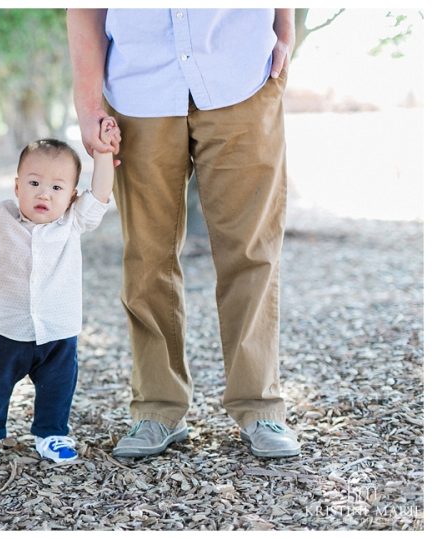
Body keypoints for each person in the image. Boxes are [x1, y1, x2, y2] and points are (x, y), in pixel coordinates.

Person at [67, 8, 301, 458]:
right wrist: (88, 102)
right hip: (138, 88)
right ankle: (157, 408)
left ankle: (260, 406)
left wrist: (284, 31)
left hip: (242, 76)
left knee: (251, 251)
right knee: (147, 256)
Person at [0, 119, 120, 470]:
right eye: (34, 183)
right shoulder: (3, 217)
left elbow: (100, 195)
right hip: (7, 326)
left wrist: (102, 155)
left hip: (57, 329)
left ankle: (51, 433)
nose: (44, 194)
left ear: (72, 195)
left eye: (56, 187)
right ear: (17, 186)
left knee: (57, 387)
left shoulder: (73, 222)